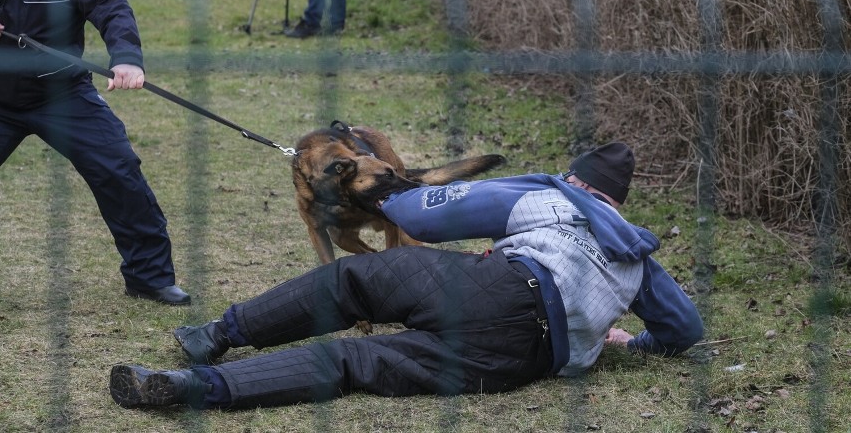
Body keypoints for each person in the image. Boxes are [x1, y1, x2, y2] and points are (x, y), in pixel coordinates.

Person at [109, 142, 704, 409]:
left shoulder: (548, 194)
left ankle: (215, 336)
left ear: (575, 182)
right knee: (349, 364)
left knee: (351, 283)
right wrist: (632, 339)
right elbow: (685, 330)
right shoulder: (639, 259)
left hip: (496, 284)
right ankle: (196, 391)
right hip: (521, 362)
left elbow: (419, 212)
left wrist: (362, 181)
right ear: (617, 201)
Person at [0, 0, 190, 305]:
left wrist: (125, 57)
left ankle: (149, 277)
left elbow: (112, 7)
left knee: (120, 171)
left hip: (62, 93)